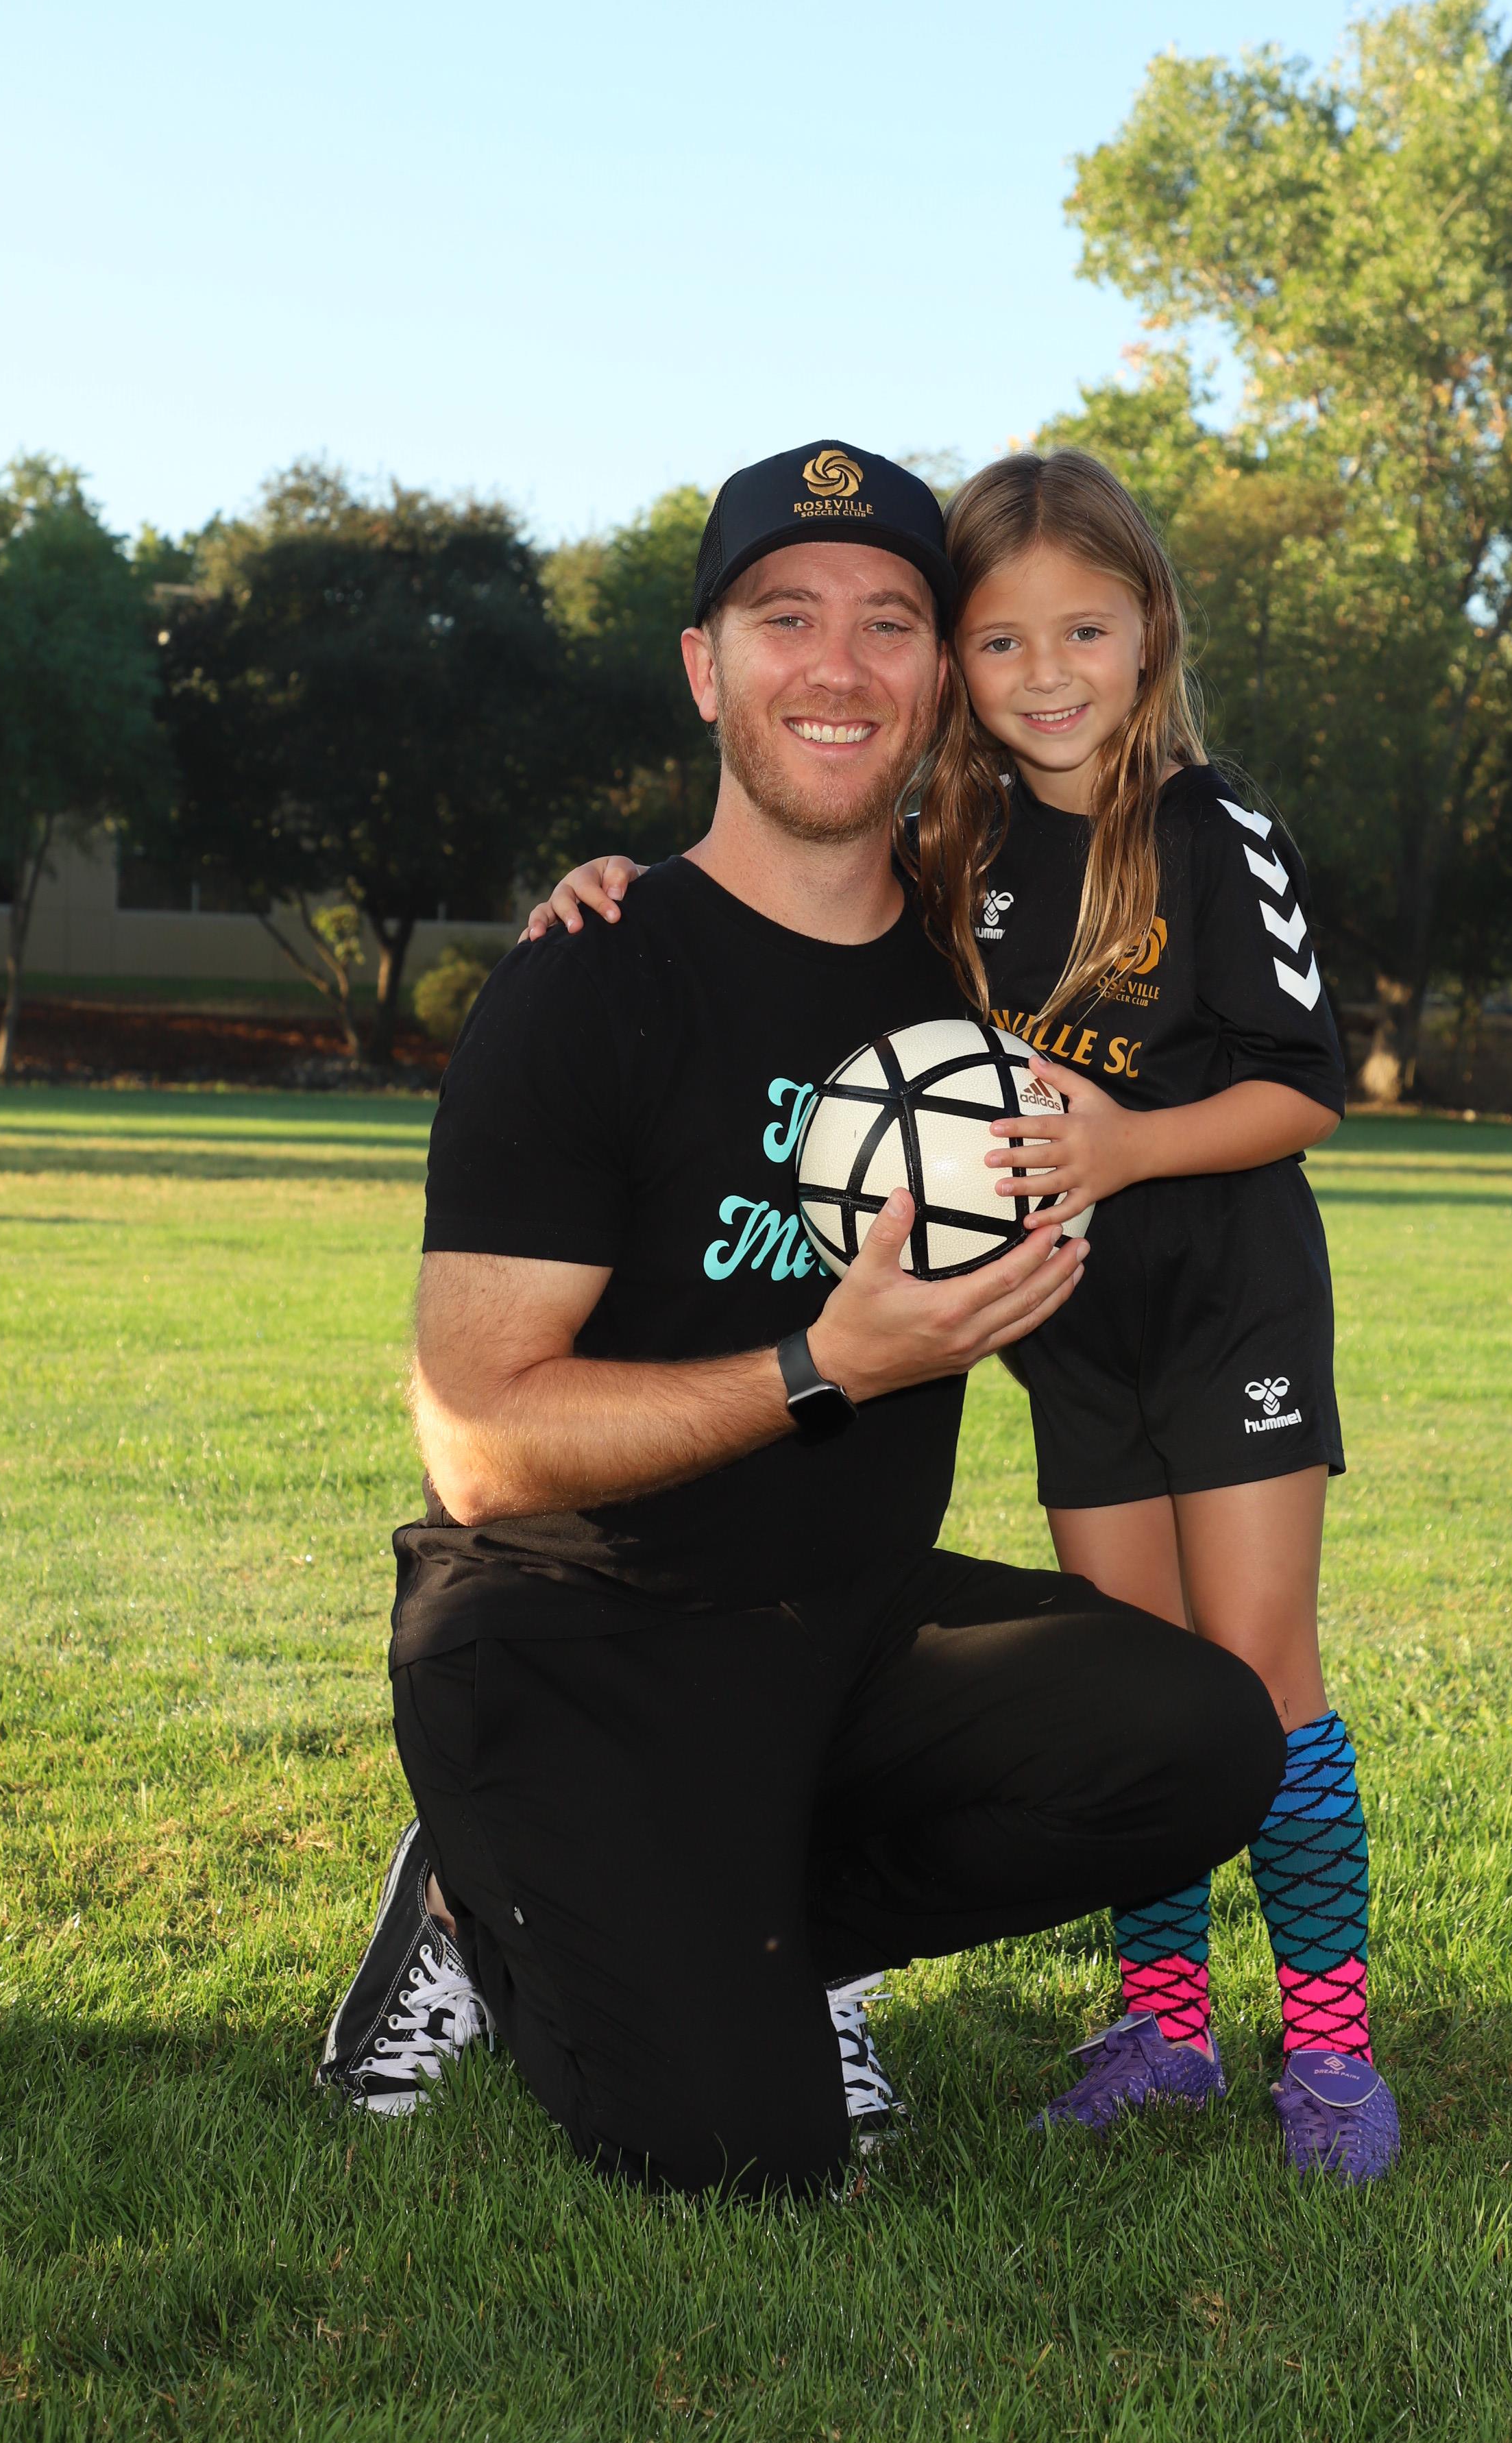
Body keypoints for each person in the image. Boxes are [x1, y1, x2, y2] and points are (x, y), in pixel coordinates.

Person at [315, 439, 1284, 2198]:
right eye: (785, 617)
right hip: (573, 1637)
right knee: (745, 2154)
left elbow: (1213, 1051)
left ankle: (775, 1934)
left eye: (891, 622)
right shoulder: (589, 975)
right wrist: (822, 1366)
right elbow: (479, 1444)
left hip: (845, 1633)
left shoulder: (987, 968)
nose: (838, 665)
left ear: (941, 681)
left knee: (1202, 1739)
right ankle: (471, 1899)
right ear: (706, 668)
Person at [532, 450, 1398, 2184]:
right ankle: (1165, 2029)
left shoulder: (1210, 828)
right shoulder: (955, 845)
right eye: (1000, 641)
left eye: (1085, 630)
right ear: (955, 668)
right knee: (1147, 1677)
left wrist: (1124, 1142)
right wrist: (617, 882)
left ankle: (1328, 2049)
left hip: (1225, 1307)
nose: (1046, 673)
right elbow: (800, 913)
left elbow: (1305, 1087)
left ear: (1150, 630)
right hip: (1060, 1318)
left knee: (1260, 1670)